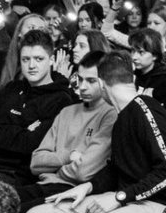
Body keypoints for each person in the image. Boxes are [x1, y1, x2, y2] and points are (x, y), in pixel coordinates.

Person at [22, 52, 166, 213]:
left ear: (102, 84)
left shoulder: (147, 109)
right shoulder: (122, 116)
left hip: (157, 207)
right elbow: (118, 167)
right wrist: (88, 187)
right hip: (124, 200)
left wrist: (120, 197)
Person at [0, 31, 72, 186]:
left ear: (51, 60)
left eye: (39, 59)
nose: (31, 65)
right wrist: (18, 131)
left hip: (14, 174)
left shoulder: (61, 99)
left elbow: (30, 145)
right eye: (26, 59)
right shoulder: (12, 88)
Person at [28, 52, 118, 202]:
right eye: (80, 79)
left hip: (75, 192)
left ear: (105, 82)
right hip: (43, 185)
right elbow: (35, 163)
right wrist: (69, 157)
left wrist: (56, 169)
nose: (82, 87)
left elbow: (83, 173)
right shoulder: (66, 112)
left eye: (91, 81)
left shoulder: (111, 115)